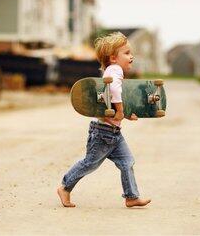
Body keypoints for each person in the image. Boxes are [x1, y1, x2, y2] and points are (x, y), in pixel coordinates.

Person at [57, 32, 151, 208]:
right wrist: (121, 110)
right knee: (89, 164)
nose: (132, 56)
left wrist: (126, 113)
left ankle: (131, 197)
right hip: (103, 133)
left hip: (113, 132)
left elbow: (114, 99)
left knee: (127, 162)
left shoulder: (113, 71)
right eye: (127, 53)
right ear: (113, 58)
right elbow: (114, 90)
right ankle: (65, 187)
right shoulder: (115, 71)